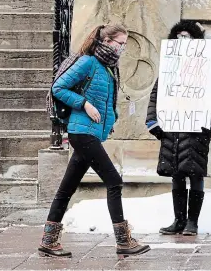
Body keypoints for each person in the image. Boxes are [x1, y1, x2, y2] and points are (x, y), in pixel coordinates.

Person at [39, 24, 150, 259]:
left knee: (66, 189)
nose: (123, 48)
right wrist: (84, 104)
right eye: (120, 43)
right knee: (114, 181)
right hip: (81, 132)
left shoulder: (109, 68)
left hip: (90, 132)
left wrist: (111, 119)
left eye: (125, 44)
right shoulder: (88, 62)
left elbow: (107, 102)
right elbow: (58, 87)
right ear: (107, 41)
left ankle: (49, 241)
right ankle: (123, 241)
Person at [146, 21, 211, 236]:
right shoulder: (168, 68)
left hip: (195, 129)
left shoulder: (203, 68)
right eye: (178, 37)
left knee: (195, 173)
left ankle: (192, 222)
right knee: (176, 173)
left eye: (186, 37)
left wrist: (207, 124)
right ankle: (179, 220)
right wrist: (153, 122)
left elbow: (207, 98)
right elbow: (155, 96)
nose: (182, 41)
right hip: (172, 128)